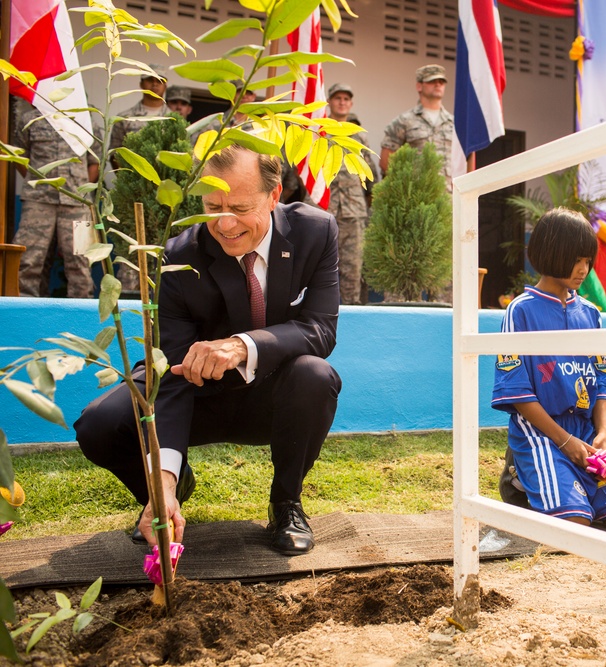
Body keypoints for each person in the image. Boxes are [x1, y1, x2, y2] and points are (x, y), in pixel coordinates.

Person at [74, 144, 343, 556]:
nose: (224, 222)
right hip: (197, 395)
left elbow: (320, 329)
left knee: (315, 375)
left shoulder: (316, 232)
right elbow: (171, 372)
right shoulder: (180, 255)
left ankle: (286, 502)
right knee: (99, 425)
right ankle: (171, 489)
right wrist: (161, 479)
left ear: (275, 196)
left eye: (239, 206)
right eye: (212, 205)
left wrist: (241, 346)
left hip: (275, 397)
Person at [492, 208, 606, 530]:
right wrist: (563, 442)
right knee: (574, 522)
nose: (583, 270)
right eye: (577, 260)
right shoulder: (521, 311)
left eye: (588, 261)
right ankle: (521, 478)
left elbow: (602, 380)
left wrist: (602, 433)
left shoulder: (590, 314)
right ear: (550, 254)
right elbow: (516, 391)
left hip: (586, 431)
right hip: (542, 433)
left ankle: (562, 490)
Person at [10, 97, 100, 298]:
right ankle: (24, 310)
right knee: (28, 259)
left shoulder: (86, 122)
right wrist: (37, 183)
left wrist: (81, 192)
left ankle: (80, 315)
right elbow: (19, 157)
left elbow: (94, 163)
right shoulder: (30, 120)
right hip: (38, 201)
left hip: (78, 204)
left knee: (82, 262)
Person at [325, 83, 380, 305]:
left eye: (346, 99)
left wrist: (367, 204)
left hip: (353, 211)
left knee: (352, 270)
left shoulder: (358, 136)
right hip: (322, 209)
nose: (342, 102)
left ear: (351, 103)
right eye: (337, 98)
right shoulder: (315, 130)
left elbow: (369, 175)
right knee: (317, 268)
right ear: (329, 101)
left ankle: (351, 313)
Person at [380, 64, 455, 191]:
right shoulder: (404, 121)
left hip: (448, 197)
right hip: (417, 197)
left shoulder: (454, 124)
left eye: (441, 82)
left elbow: (464, 162)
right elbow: (386, 162)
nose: (438, 85)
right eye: (432, 81)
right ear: (419, 86)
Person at [109, 63, 169, 159]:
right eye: (150, 80)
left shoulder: (174, 119)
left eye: (159, 80)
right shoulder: (125, 118)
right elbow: (115, 154)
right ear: (141, 84)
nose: (154, 84)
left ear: (165, 86)